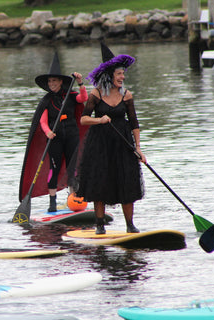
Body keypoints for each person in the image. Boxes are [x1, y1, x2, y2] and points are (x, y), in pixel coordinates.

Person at [76, 42, 146, 235]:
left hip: (123, 143)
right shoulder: (96, 93)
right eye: (119, 74)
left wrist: (138, 148)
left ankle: (130, 225)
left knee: (127, 181)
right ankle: (100, 225)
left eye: (123, 74)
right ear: (109, 76)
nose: (123, 77)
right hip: (100, 144)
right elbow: (83, 120)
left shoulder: (127, 95)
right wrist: (99, 120)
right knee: (101, 182)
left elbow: (134, 123)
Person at [19, 52, 89, 212]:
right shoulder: (47, 100)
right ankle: (52, 202)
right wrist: (48, 132)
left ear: (61, 82)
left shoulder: (71, 95)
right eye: (50, 81)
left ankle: (74, 199)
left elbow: (84, 98)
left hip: (72, 135)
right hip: (54, 138)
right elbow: (42, 121)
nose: (51, 83)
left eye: (54, 81)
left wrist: (80, 83)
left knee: (73, 168)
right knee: (54, 168)